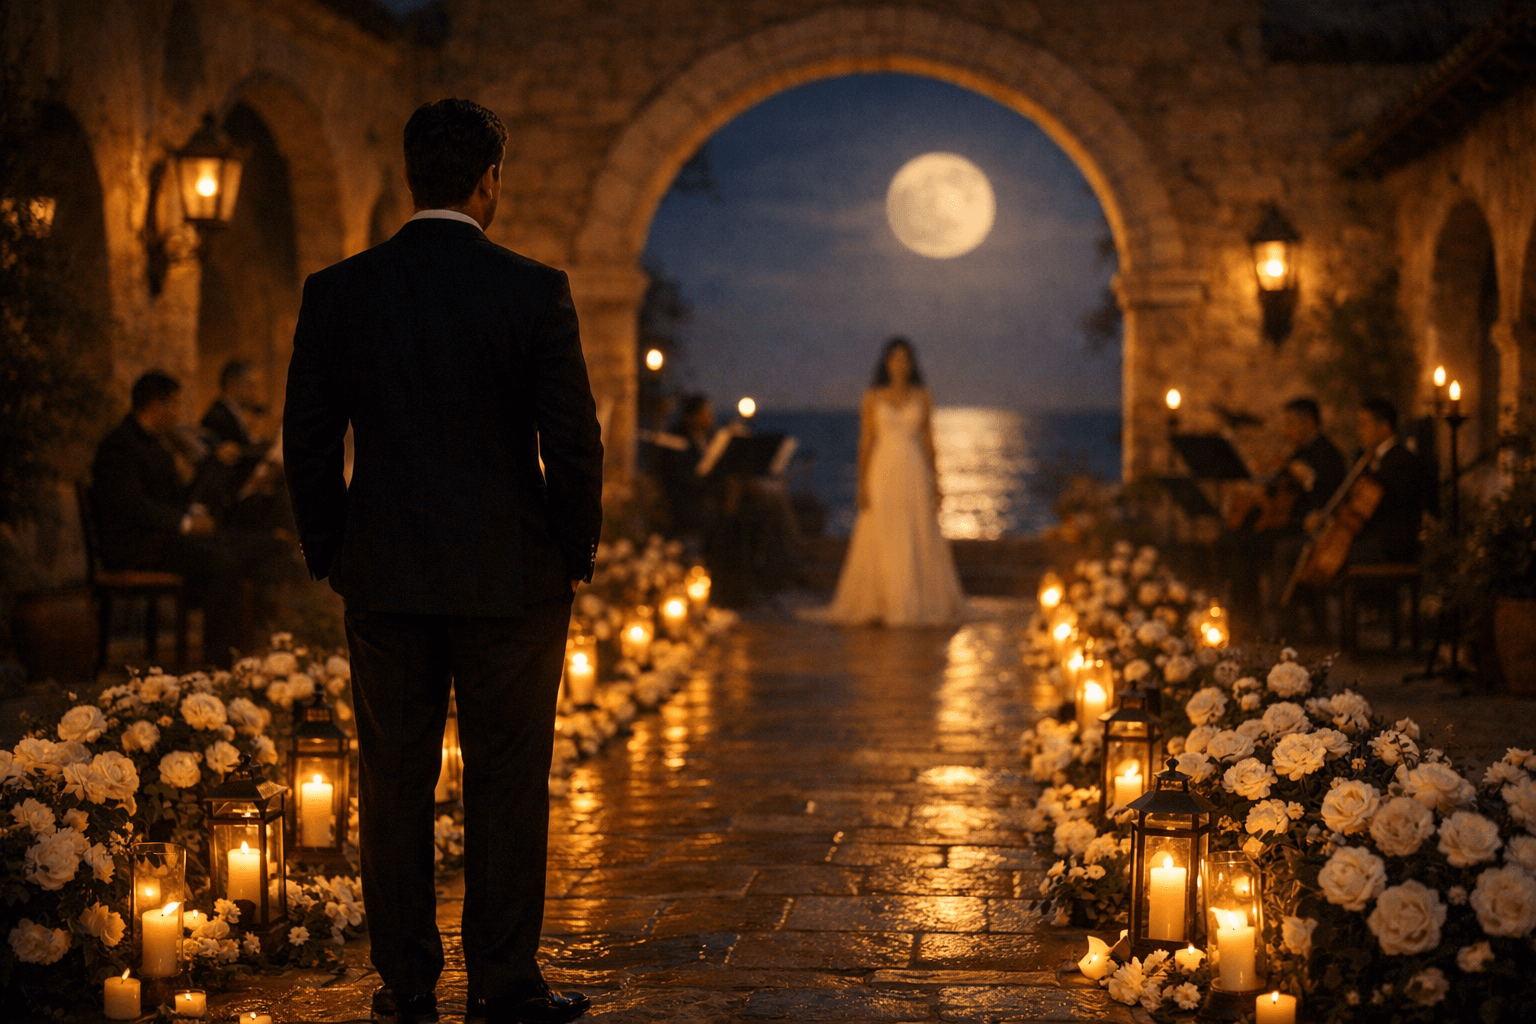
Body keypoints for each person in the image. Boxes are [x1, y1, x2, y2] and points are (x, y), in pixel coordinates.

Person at [284, 99, 602, 1024]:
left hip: (385, 572)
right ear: (488, 180)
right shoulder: (533, 289)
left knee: (394, 783)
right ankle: (505, 984)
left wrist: (331, 547)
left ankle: (406, 984)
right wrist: (571, 548)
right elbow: (572, 442)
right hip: (513, 581)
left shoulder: (340, 290)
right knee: (507, 780)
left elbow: (308, 438)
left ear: (413, 173)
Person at [90, 370, 247, 665]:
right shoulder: (119, 445)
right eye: (174, 405)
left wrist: (208, 471)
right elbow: (133, 506)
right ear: (156, 405)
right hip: (133, 547)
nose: (177, 414)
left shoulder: (158, 445)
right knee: (221, 561)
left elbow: (174, 499)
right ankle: (218, 663)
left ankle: (236, 654)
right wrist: (186, 524)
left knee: (235, 546)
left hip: (159, 539)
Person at [813, 337, 965, 625]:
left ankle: (912, 601)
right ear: (886, 363)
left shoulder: (922, 396)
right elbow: (866, 442)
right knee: (882, 530)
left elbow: (930, 441)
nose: (900, 364)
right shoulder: (872, 397)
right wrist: (860, 484)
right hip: (882, 469)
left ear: (911, 364)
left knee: (914, 530)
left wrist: (937, 483)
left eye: (906, 359)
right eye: (895, 359)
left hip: (913, 469)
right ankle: (880, 602)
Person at [1342, 397, 1428, 565]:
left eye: (1364, 424)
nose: (1359, 431)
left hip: (1392, 546)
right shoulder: (1367, 460)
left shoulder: (1402, 460)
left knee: (1341, 558)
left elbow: (1386, 502)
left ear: (1384, 427)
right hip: (1371, 540)